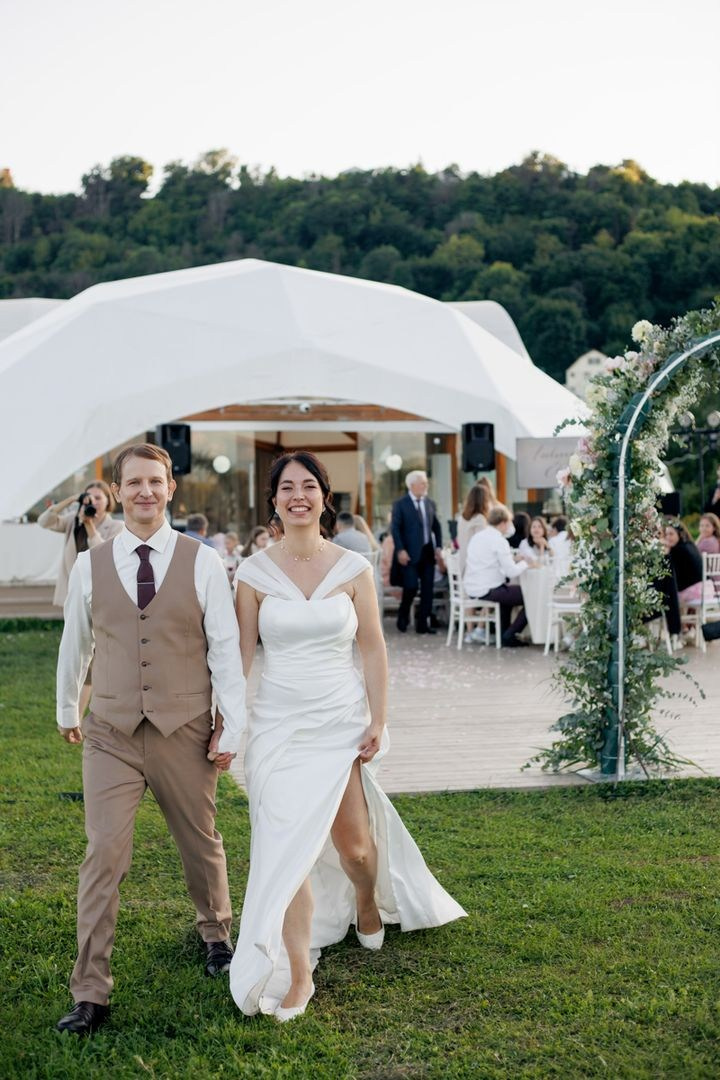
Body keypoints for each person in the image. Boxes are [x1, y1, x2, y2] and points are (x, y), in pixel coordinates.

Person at [229, 451, 465, 1021]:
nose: (298, 496)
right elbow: (239, 656)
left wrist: (377, 720)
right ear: (275, 501)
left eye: (309, 486)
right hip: (278, 730)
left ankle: (366, 895)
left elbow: (373, 649)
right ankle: (299, 975)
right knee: (284, 853)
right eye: (287, 487)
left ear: (324, 497)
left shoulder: (353, 568)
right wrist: (227, 724)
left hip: (339, 723)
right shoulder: (254, 573)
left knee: (356, 847)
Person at [54, 443, 247, 1036]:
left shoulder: (203, 561)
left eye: (155, 482)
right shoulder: (92, 563)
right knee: (102, 855)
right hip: (110, 730)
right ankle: (90, 991)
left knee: (200, 841)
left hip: (184, 725)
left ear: (170, 489)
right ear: (118, 491)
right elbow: (76, 642)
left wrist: (231, 720)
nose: (145, 491)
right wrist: (68, 706)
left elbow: (224, 647)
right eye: (133, 482)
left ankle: (215, 932)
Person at [38, 481, 123, 608]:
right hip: (74, 587)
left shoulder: (117, 527)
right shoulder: (73, 520)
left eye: (98, 498)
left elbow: (103, 556)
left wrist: (89, 524)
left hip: (100, 588)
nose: (93, 502)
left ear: (108, 501)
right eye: (88, 497)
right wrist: (72, 499)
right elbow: (44, 522)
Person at [463, 504, 532, 647]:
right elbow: (511, 572)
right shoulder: (500, 541)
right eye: (509, 523)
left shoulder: (477, 537)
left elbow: (489, 563)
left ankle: (504, 636)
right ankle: (510, 634)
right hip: (487, 589)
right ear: (503, 523)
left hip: (472, 587)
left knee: (508, 594)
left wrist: (513, 560)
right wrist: (527, 564)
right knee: (530, 595)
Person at [390, 470, 443, 634]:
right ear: (412, 485)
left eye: (426, 482)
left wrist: (439, 547)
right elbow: (395, 529)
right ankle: (403, 615)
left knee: (428, 590)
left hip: (427, 552)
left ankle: (423, 625)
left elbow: (437, 527)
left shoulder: (429, 503)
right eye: (423, 483)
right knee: (411, 587)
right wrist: (400, 550)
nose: (426, 485)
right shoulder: (400, 504)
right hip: (409, 553)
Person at [665, 522, 713, 607]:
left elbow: (676, 580)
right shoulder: (690, 544)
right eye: (666, 534)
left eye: (671, 534)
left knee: (667, 597)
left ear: (679, 534)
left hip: (697, 593)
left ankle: (675, 620)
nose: (668, 537)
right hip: (708, 589)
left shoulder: (678, 550)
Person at [456, 484, 490, 572]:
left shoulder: (462, 518)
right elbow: (482, 545)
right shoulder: (480, 519)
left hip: (462, 564)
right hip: (473, 568)